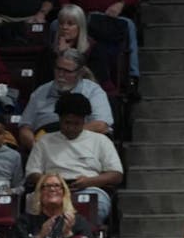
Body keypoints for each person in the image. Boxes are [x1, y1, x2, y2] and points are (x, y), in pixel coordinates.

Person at [24, 93, 124, 221]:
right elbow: (32, 174)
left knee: (96, 207)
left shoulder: (100, 140)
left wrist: (89, 181)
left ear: (84, 120)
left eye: (76, 123)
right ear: (59, 119)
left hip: (88, 189)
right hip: (51, 190)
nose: (71, 128)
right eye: (67, 123)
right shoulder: (44, 141)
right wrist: (55, 183)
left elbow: (116, 175)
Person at [58, 0, 142, 86]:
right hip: (83, 16)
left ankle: (132, 77)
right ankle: (56, 69)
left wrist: (121, 4)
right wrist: (67, 10)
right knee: (55, 25)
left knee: (129, 25)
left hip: (110, 17)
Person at [18, 49, 113, 149]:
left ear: (79, 73)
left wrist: (63, 137)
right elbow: (25, 128)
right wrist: (37, 147)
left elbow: (101, 125)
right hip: (44, 143)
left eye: (67, 71)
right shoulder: (40, 92)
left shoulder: (93, 91)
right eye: (58, 69)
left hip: (80, 144)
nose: (61, 75)